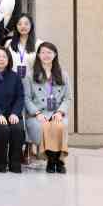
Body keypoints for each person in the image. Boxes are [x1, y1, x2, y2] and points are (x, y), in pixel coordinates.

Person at [23, 42, 71, 174]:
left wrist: (60, 112)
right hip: (37, 114)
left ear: (55, 55)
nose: (46, 55)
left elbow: (67, 98)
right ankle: (52, 160)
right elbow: (26, 98)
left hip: (56, 112)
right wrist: (37, 113)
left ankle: (57, 161)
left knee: (59, 126)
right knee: (44, 126)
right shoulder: (30, 75)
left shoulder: (63, 75)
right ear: (38, 55)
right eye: (43, 52)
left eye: (49, 52)